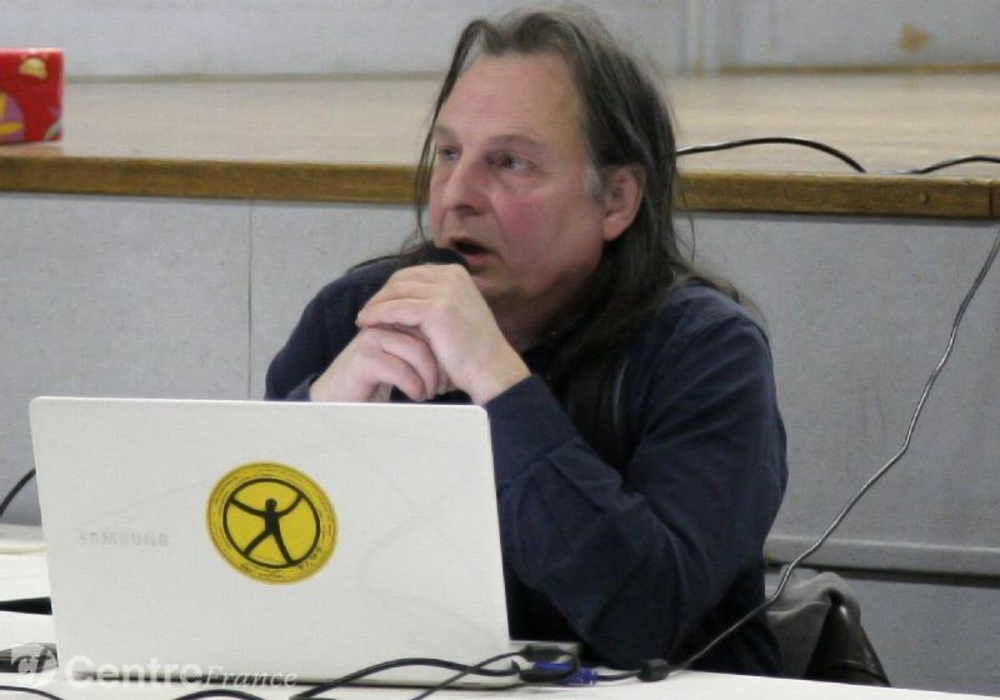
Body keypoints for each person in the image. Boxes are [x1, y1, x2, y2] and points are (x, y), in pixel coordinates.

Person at [266, 8, 788, 675]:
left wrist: (498, 382)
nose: (457, 195)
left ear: (616, 200)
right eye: (448, 154)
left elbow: (644, 619)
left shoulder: (705, 354)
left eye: (510, 162)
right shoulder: (355, 319)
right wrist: (312, 424)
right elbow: (254, 583)